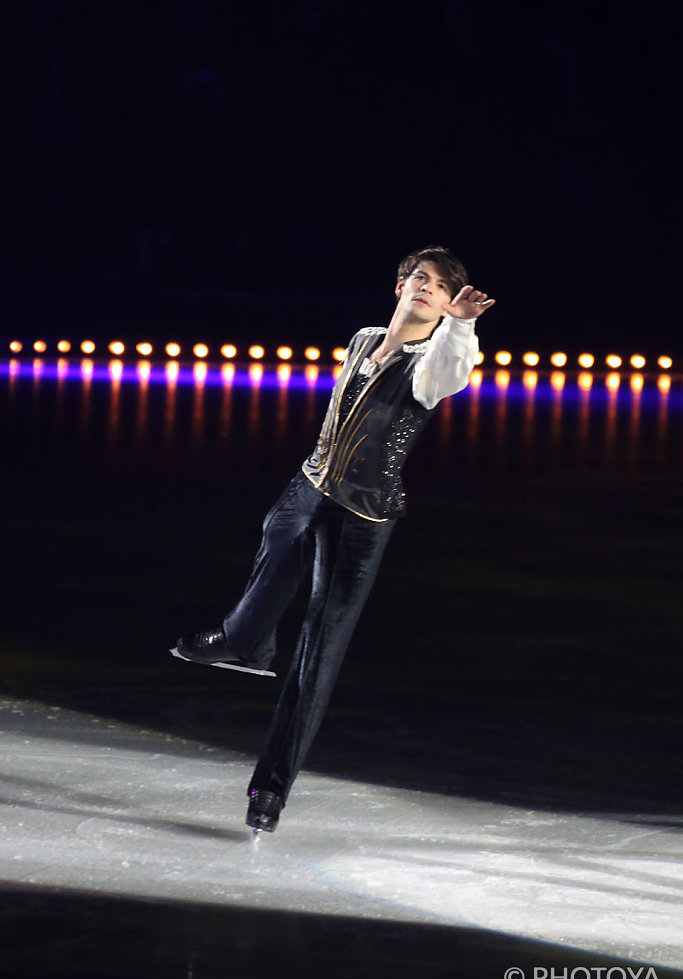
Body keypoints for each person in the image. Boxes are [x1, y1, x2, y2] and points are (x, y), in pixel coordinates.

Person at [171, 245, 495, 832]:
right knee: (276, 536)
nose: (428, 287)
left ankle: (270, 789)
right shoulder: (365, 338)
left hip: (364, 515)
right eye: (420, 277)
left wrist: (463, 326)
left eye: (441, 286)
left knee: (319, 653)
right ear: (400, 286)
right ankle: (246, 641)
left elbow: (449, 375)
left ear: (448, 304)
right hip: (311, 481)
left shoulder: (433, 360)